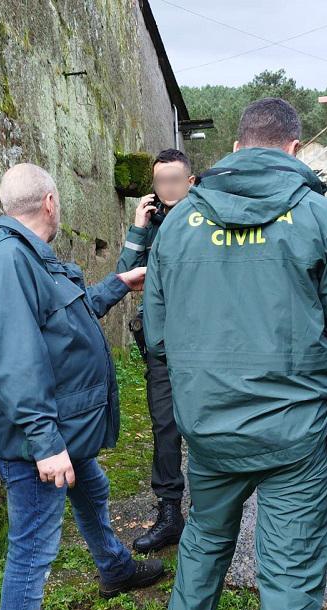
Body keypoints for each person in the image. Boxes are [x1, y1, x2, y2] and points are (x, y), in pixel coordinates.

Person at [144, 98, 327, 610]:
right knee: (290, 581)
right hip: (295, 436)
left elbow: (155, 335)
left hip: (209, 428)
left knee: (202, 543)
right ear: (294, 148)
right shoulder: (320, 218)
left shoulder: (178, 222)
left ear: (237, 144)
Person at [0, 163, 165, 610]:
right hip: (40, 442)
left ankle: (114, 567)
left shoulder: (29, 257)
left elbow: (64, 320)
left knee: (92, 487)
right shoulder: (9, 260)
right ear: (50, 202)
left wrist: (117, 283)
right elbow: (14, 357)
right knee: (31, 552)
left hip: (60, 433)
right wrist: (46, 443)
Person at [117, 148, 197, 553]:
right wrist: (138, 228)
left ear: (190, 182)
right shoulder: (151, 223)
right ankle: (170, 513)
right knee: (164, 427)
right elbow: (125, 273)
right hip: (160, 345)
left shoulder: (205, 221)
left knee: (203, 425)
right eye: (159, 181)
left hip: (201, 346)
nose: (166, 189)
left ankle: (206, 512)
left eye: (173, 181)